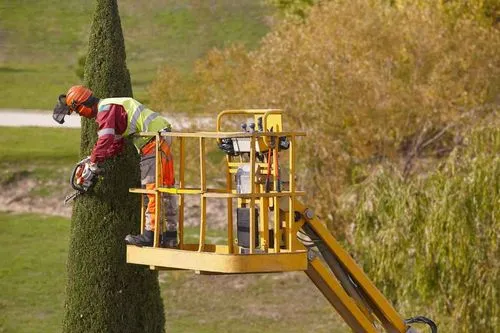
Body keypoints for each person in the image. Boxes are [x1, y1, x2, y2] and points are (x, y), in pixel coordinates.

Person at [53, 85, 177, 247]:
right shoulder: (112, 109)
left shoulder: (106, 110)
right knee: (165, 189)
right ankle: (171, 237)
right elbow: (114, 145)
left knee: (152, 189)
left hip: (154, 142)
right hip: (160, 137)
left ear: (82, 105)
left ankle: (150, 235)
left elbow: (105, 140)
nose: (80, 115)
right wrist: (94, 160)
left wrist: (93, 162)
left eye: (77, 111)